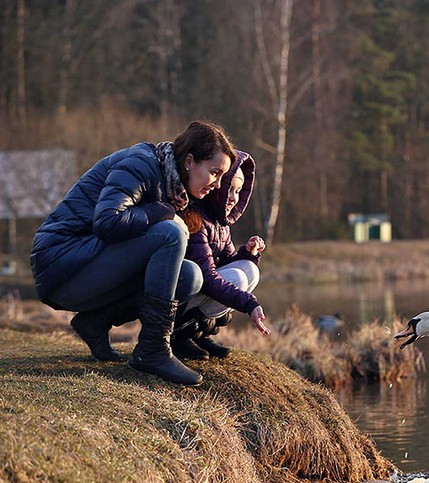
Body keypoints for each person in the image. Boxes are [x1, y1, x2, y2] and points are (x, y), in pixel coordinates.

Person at [30, 120, 236, 386]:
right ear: (189, 162)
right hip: (61, 267)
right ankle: (152, 351)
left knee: (189, 277)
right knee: (169, 233)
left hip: (90, 268)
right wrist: (165, 212)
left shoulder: (173, 184)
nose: (218, 185)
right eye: (215, 172)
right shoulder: (140, 165)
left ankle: (95, 322)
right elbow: (108, 222)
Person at [171, 150, 271, 361]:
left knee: (249, 269)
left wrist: (247, 254)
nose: (234, 198)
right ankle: (180, 334)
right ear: (219, 187)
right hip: (178, 299)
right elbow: (208, 277)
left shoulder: (221, 223)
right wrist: (249, 304)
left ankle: (199, 333)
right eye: (230, 190)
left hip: (199, 292)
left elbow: (226, 264)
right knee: (239, 278)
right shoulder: (196, 218)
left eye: (239, 191)